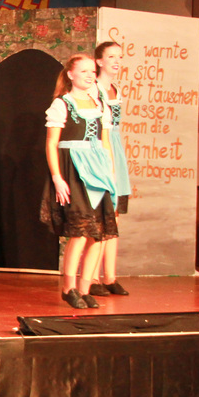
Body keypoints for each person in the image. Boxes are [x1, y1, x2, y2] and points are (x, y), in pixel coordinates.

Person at [42, 54, 117, 309]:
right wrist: (57, 177)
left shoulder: (100, 105)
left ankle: (85, 289)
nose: (89, 75)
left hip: (98, 170)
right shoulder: (62, 104)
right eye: (83, 71)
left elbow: (105, 143)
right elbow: (51, 144)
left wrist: (110, 174)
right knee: (80, 232)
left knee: (98, 234)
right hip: (73, 169)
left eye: (92, 71)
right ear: (70, 74)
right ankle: (69, 288)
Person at [88, 41, 130, 297]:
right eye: (111, 56)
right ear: (99, 61)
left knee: (114, 216)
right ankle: (91, 276)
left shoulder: (116, 89)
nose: (116, 61)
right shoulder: (94, 88)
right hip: (100, 148)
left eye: (119, 56)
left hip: (116, 148)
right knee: (100, 216)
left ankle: (110, 277)